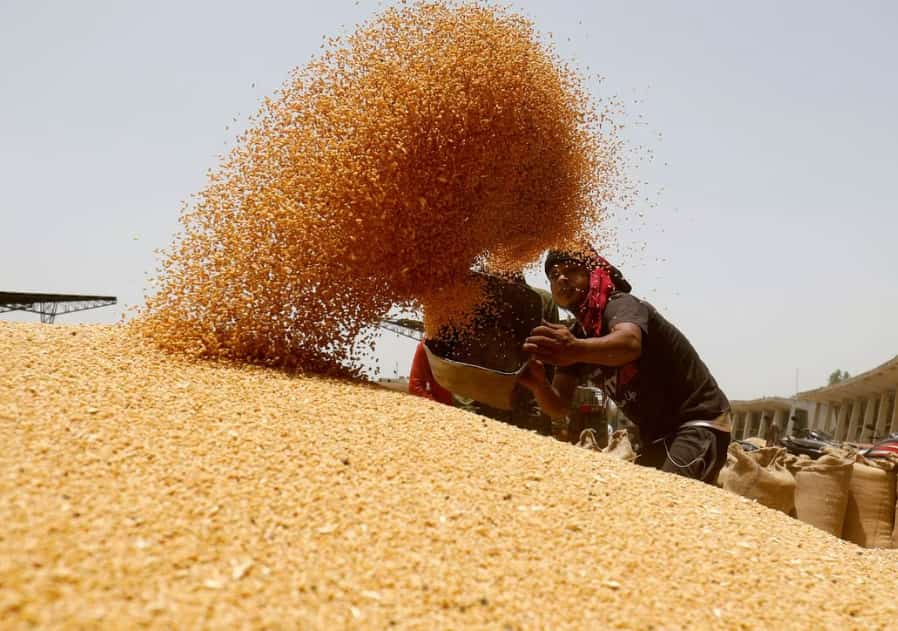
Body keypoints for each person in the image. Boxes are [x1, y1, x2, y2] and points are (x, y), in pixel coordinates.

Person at [518, 247, 731, 484]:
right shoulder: (578, 334)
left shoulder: (619, 304)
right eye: (554, 275)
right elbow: (559, 406)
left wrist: (575, 349)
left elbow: (629, 344)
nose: (561, 279)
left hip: (697, 422)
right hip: (656, 436)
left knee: (665, 496)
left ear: (594, 273)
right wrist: (538, 385)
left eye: (571, 270)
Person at [408, 340, 454, 405]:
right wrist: (438, 406)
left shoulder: (463, 346)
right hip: (442, 406)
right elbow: (415, 387)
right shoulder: (426, 347)